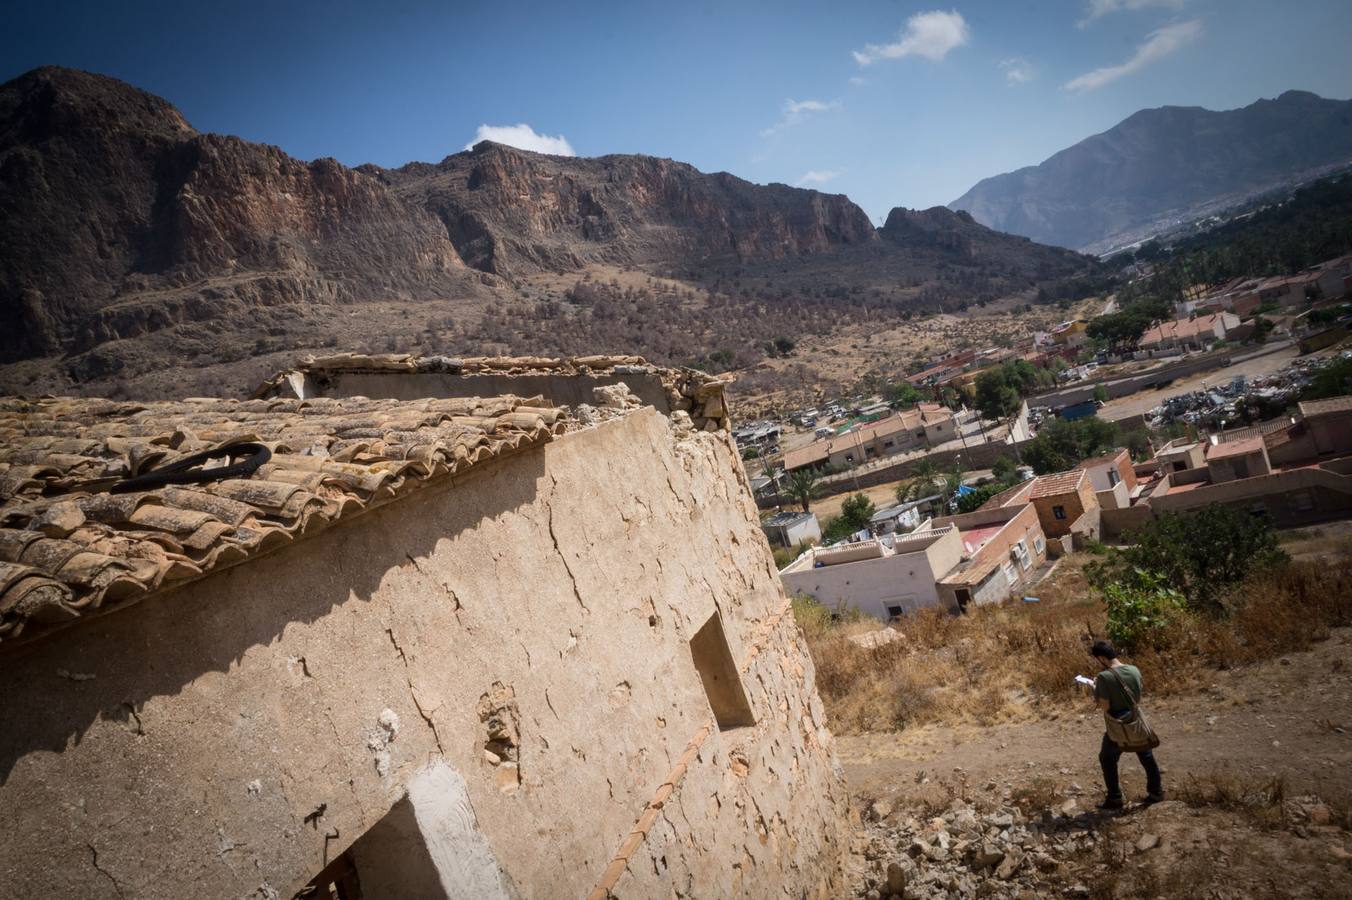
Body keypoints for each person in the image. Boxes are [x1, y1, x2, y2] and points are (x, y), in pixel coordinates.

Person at [1089, 639, 1163, 810]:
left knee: (1107, 758)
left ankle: (1114, 798)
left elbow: (1105, 706)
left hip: (1118, 724)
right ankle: (1156, 793)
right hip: (1136, 720)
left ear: (1101, 658)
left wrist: (1095, 688)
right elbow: (1137, 695)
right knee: (1147, 757)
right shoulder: (1134, 670)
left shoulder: (1104, 677)